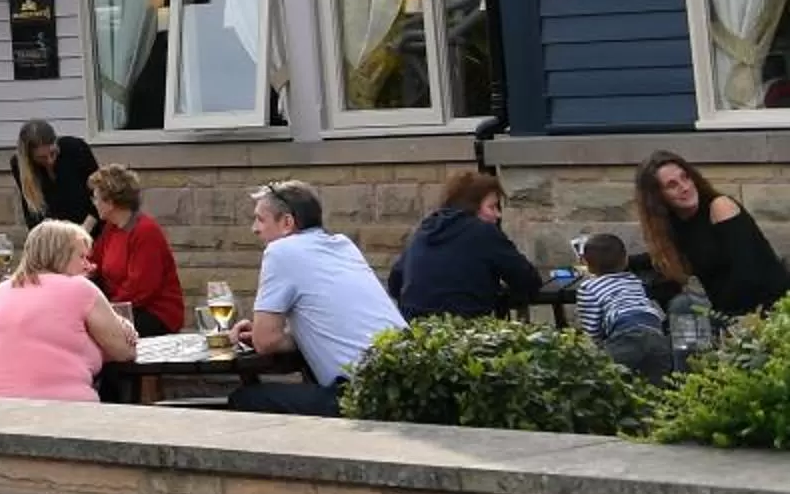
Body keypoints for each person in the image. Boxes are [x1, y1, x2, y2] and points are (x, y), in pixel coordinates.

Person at [229, 180, 405, 416]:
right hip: (403, 383)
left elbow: (265, 342)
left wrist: (271, 335)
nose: (254, 228)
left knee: (244, 399)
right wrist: (288, 335)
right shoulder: (343, 245)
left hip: (361, 395)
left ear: (287, 223)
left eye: (261, 219)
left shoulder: (281, 251)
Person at [0, 218, 142, 403]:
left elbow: (2, 344)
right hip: (65, 411)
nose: (88, 265)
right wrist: (122, 327)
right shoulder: (79, 288)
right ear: (60, 255)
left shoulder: (1, 290)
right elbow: (123, 351)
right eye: (81, 257)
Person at [635, 151, 790, 318]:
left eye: (685, 177)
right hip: (730, 314)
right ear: (657, 196)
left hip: (767, 311)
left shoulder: (720, 207)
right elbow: (658, 259)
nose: (685, 187)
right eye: (672, 185)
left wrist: (719, 319)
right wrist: (619, 264)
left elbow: (746, 274)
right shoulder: (672, 225)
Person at [388, 170, 542, 319]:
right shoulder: (483, 232)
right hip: (465, 334)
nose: (498, 214)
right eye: (492, 207)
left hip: (415, 333)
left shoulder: (424, 230)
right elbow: (528, 280)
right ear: (471, 206)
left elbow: (395, 284)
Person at [84, 165, 184, 334]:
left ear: (110, 202)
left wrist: (105, 311)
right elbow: (95, 262)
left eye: (96, 198)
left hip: (154, 312)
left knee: (95, 330)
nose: (94, 204)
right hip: (122, 307)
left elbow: (140, 288)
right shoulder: (111, 228)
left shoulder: (146, 231)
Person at [574, 232, 671, 380]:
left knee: (609, 379)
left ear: (587, 264)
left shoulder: (589, 288)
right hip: (655, 333)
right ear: (626, 260)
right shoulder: (634, 280)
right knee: (657, 384)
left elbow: (592, 331)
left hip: (625, 335)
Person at [12, 120, 101, 230]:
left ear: (56, 142)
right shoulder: (19, 165)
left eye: (53, 153)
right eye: (41, 158)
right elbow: (31, 213)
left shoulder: (76, 149)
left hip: (90, 228)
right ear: (29, 157)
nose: (49, 161)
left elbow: (101, 193)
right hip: (56, 237)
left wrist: (85, 228)